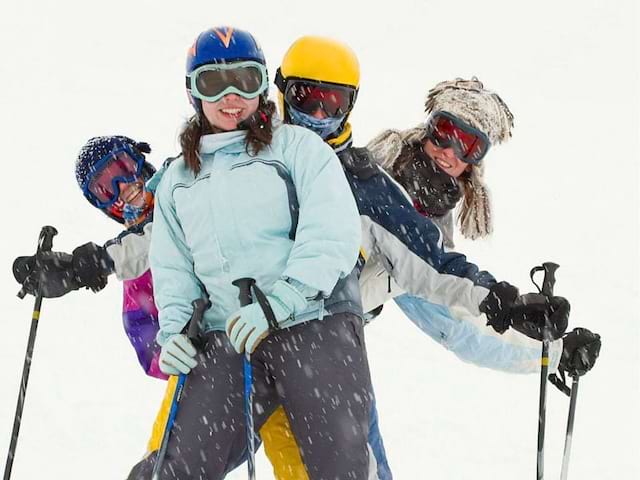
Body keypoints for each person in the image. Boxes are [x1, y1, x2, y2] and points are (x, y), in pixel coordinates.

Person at [125, 26, 374, 479]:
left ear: (263, 85)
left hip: (312, 323)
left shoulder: (298, 148)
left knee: (337, 464)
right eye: (213, 83)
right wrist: (176, 331)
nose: (232, 96)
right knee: (177, 466)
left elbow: (332, 232)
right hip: (229, 334)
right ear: (193, 93)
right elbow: (173, 267)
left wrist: (282, 300)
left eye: (246, 79)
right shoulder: (179, 179)